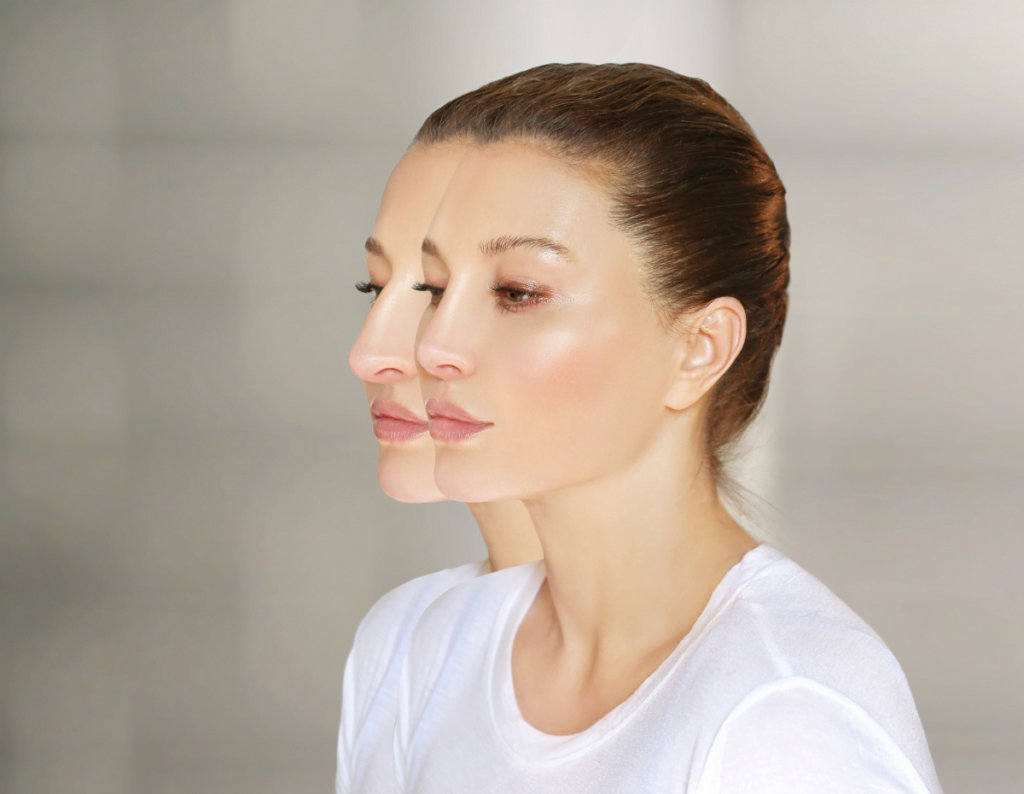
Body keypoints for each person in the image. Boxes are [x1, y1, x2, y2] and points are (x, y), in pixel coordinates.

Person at [395, 64, 942, 793]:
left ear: (700, 348)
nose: (433, 346)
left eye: (517, 292)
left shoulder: (787, 715)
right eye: (436, 289)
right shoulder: (420, 648)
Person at [340, 138, 542, 793]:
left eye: (435, 291)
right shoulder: (402, 643)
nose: (370, 355)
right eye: (374, 288)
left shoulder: (774, 706)